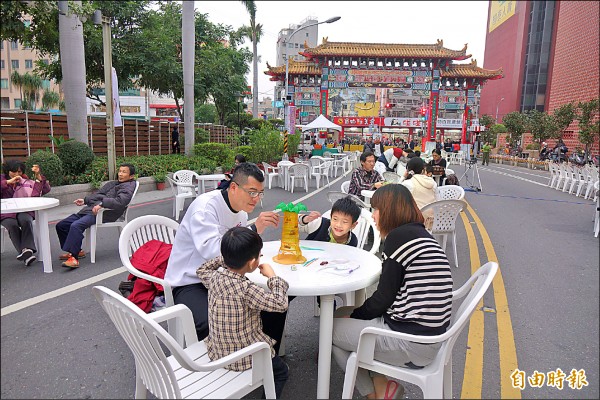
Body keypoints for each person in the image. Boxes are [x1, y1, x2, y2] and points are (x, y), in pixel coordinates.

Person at [331, 184, 453, 399]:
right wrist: (355, 313)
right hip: (431, 337)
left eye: (375, 209)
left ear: (388, 210)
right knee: (342, 313)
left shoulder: (398, 239)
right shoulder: (420, 234)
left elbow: (382, 299)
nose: (373, 215)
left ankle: (374, 395)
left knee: (329, 331)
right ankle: (382, 383)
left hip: (410, 342)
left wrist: (357, 314)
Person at [164, 162, 287, 350]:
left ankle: (267, 361)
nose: (256, 199)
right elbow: (212, 250)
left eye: (260, 193)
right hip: (190, 281)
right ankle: (223, 366)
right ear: (234, 187)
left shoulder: (242, 214)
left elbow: (234, 252)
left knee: (268, 307)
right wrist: (254, 230)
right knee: (214, 322)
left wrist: (251, 234)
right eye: (252, 192)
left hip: (224, 278)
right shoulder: (206, 207)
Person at [196, 227, 289, 398]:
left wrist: (226, 259)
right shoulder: (247, 289)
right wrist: (272, 277)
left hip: (218, 350)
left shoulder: (215, 278)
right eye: (259, 256)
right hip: (244, 357)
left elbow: (201, 270)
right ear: (252, 262)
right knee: (282, 372)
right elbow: (281, 303)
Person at [56, 164, 137, 269]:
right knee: (61, 225)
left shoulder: (128, 186)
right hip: (90, 210)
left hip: (105, 213)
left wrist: (102, 204)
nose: (120, 174)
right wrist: (85, 200)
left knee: (76, 226)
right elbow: (99, 194)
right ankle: (77, 250)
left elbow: (121, 201)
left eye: (124, 172)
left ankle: (74, 258)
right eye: (120, 171)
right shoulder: (112, 183)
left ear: (131, 176)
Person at [1, 160, 51, 266]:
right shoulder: (3, 179)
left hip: (24, 209)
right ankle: (25, 254)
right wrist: (9, 182)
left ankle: (27, 249)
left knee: (26, 220)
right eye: (13, 172)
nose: (17, 174)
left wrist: (38, 175)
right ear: (7, 171)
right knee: (12, 225)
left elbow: (44, 189)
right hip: (6, 212)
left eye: (19, 172)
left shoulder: (24, 179)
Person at [401, 157, 437, 228]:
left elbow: (396, 191)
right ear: (423, 169)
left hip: (416, 221)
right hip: (432, 220)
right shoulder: (433, 183)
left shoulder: (408, 183)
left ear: (409, 171)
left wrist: (403, 176)